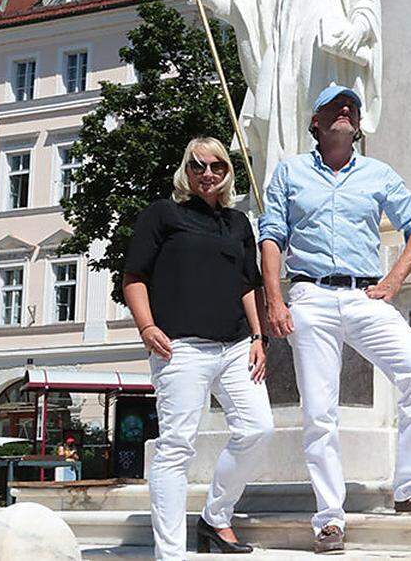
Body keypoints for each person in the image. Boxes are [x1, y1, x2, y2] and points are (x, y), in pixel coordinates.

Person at [260, 85, 411, 554]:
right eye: (335, 106)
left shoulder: (377, 173)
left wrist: (394, 280)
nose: (346, 111)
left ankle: (409, 488)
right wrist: (274, 299)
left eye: (352, 106)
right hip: (309, 294)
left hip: (364, 293)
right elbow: (271, 236)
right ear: (316, 122)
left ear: (359, 123)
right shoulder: (289, 173)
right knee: (320, 411)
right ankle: (329, 518)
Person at [124, 137, 274, 559]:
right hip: (180, 348)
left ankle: (215, 516)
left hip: (234, 346)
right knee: (176, 447)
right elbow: (133, 276)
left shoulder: (238, 224)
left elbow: (249, 285)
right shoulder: (162, 214)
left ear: (228, 172)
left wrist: (259, 337)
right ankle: (170, 554)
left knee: (258, 428)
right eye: (198, 165)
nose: (207, 173)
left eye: (217, 166)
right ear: (185, 170)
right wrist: (146, 325)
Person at [184, 0, 382, 191]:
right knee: (285, 124)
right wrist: (213, 2)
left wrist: (357, 29)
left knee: (318, 120)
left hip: (320, 56)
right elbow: (261, 10)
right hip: (286, 61)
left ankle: (324, 186)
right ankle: (290, 191)